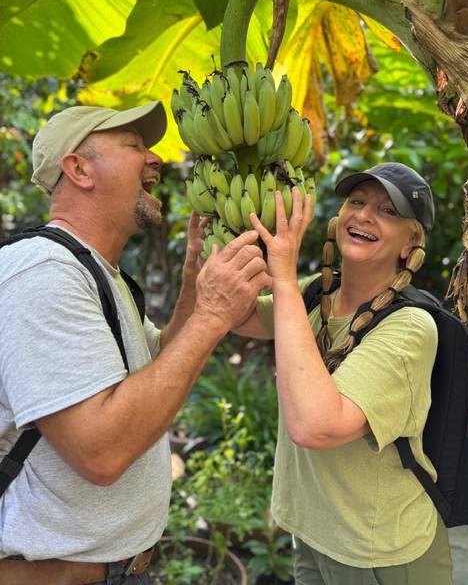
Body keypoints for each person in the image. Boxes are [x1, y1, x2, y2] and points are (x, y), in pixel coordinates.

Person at [0, 101, 270, 584]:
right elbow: (101, 453)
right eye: (134, 146)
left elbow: (158, 369)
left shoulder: (102, 274)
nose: (155, 159)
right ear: (79, 169)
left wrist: (193, 283)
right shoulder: (43, 274)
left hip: (119, 569)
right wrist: (211, 315)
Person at [234, 162, 453, 584]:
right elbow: (239, 317)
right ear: (339, 219)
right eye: (357, 201)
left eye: (389, 211)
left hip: (380, 553)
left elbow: (318, 426)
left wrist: (281, 274)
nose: (365, 215)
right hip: (313, 535)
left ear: (411, 244)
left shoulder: (410, 327)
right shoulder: (317, 295)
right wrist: (202, 258)